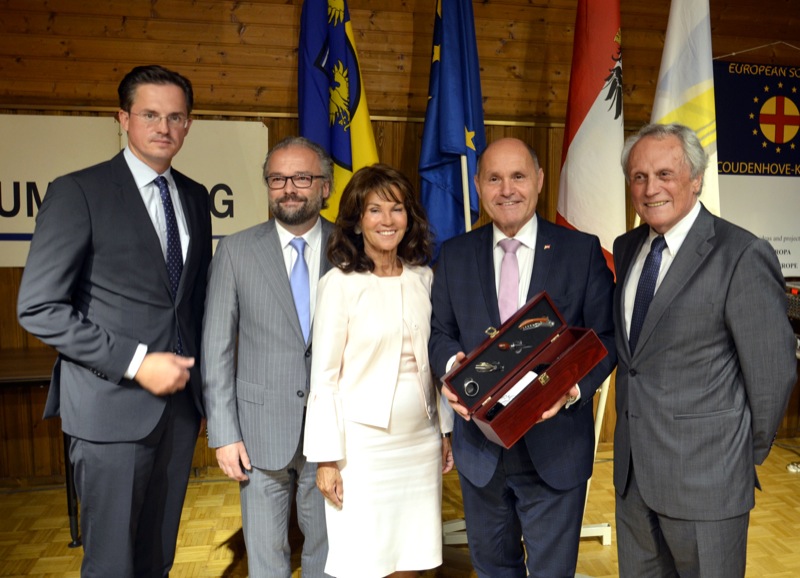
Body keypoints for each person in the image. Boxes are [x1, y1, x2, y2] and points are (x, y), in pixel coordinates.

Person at [16, 65, 212, 577]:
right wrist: (137, 362)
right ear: (123, 119)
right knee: (111, 565)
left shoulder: (194, 196)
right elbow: (38, 307)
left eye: (175, 117)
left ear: (189, 124)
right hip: (109, 411)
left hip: (180, 412)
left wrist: (209, 394)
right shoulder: (78, 192)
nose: (163, 127)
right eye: (150, 115)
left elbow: (190, 304)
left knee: (157, 559)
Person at [613, 122, 797, 577]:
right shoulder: (627, 247)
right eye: (639, 177)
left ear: (696, 179)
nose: (651, 188)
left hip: (707, 482)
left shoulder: (741, 253)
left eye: (665, 174)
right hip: (633, 479)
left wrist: (734, 459)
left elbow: (773, 375)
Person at [429, 137, 616, 578]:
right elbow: (440, 332)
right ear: (478, 186)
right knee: (493, 570)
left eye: (518, 176)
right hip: (481, 452)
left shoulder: (580, 251)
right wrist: (454, 370)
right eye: (494, 178)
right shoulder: (454, 255)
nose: (507, 189)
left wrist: (572, 389)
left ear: (540, 180)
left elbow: (605, 338)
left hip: (556, 448)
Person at [303, 163, 455, 578]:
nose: (387, 220)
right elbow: (324, 378)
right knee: (367, 563)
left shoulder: (424, 279)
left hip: (420, 444)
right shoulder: (340, 285)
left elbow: (434, 367)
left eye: (396, 208)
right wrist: (327, 459)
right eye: (374, 210)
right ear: (357, 221)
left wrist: (445, 431)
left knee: (411, 560)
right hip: (363, 451)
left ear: (409, 217)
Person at [201, 136, 334, 577]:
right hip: (258, 433)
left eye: (301, 178)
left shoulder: (350, 247)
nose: (288, 188)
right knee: (264, 558)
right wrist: (223, 433)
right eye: (277, 179)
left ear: (325, 186)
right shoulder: (236, 251)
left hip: (332, 433)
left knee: (328, 553)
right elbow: (216, 347)